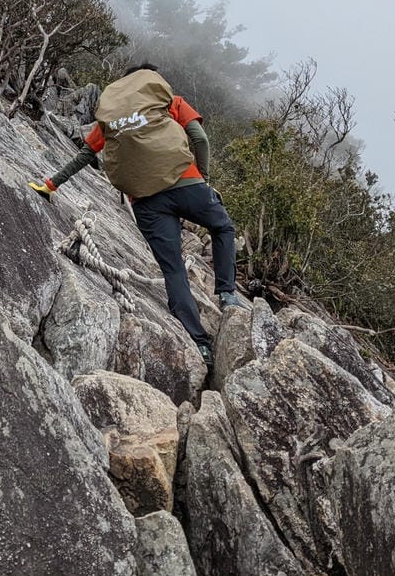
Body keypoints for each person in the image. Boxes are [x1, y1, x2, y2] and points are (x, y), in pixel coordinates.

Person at [29, 64, 250, 367]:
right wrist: (204, 180)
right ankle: (227, 294)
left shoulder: (113, 116)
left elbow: (86, 154)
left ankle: (201, 346)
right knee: (223, 227)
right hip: (186, 181)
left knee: (173, 269)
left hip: (145, 200)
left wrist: (51, 184)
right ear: (152, 79)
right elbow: (199, 138)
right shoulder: (168, 100)